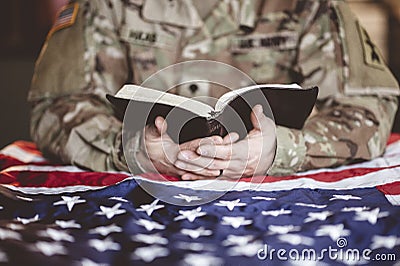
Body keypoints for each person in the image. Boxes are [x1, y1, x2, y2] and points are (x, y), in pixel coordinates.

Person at [29, 0, 399, 180]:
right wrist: (131, 147)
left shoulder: (311, 5)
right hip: (135, 209)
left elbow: (368, 106)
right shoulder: (104, 4)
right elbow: (56, 105)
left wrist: (280, 149)